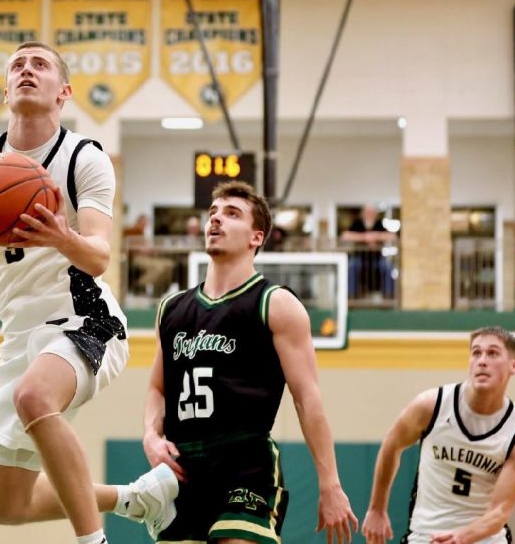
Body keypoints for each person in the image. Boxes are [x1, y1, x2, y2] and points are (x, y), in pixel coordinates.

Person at [0, 41, 171, 543]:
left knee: (33, 396)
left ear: (63, 92)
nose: (27, 70)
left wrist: (60, 236)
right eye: (18, 66)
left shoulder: (83, 157)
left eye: (40, 65)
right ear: (6, 89)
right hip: (20, 335)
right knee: (6, 504)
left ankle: (93, 541)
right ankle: (138, 498)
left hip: (85, 320)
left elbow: (98, 256)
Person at [143, 180, 358, 543]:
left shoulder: (276, 304)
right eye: (213, 213)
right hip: (183, 465)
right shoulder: (172, 308)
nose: (216, 220)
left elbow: (308, 398)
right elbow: (157, 387)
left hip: (244, 461)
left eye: (231, 214)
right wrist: (150, 436)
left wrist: (330, 483)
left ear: (256, 237)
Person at [362, 327, 515, 544]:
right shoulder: (431, 406)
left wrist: (461, 537)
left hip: (483, 539)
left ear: (514, 366)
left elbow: (501, 510)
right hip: (426, 535)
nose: (482, 361)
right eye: (476, 353)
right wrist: (377, 508)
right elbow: (391, 445)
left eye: (493, 353)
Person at [340, 204, 397, 299]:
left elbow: (393, 236)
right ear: (363, 213)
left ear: (375, 214)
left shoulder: (379, 224)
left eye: (372, 212)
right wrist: (364, 237)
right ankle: (351, 296)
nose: (369, 214)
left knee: (388, 268)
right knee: (351, 267)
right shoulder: (357, 224)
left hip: (377, 259)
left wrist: (376, 236)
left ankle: (388, 296)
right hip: (360, 258)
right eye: (367, 212)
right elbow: (345, 236)